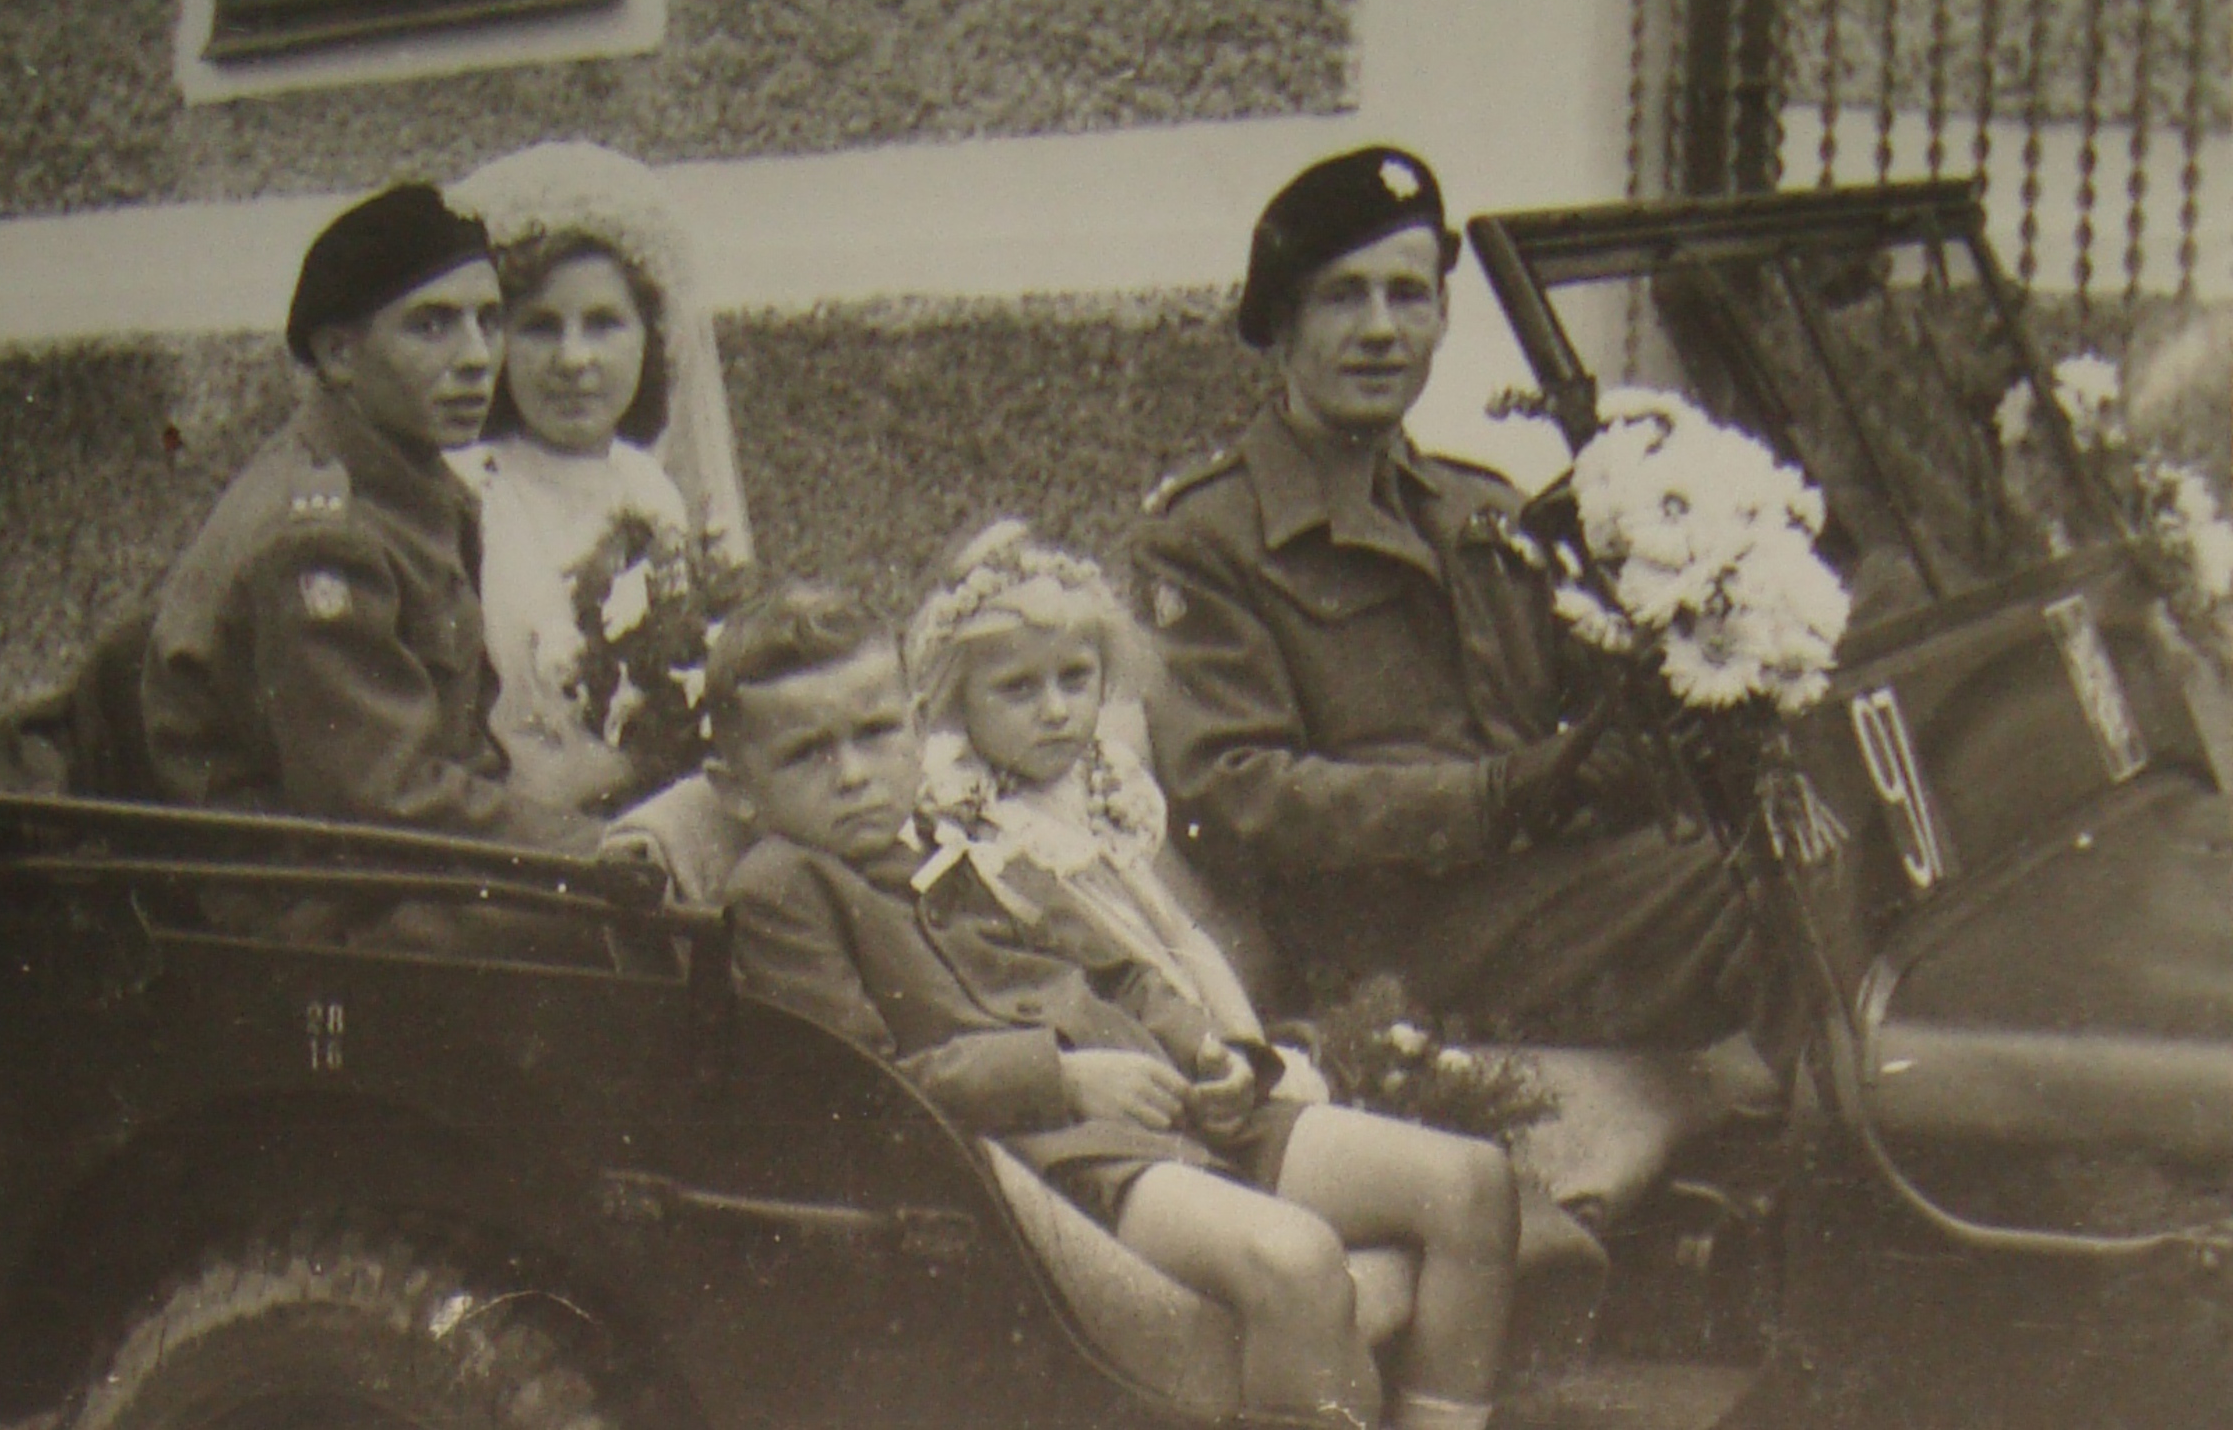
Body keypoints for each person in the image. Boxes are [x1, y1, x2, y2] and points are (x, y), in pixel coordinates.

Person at [712, 582, 1518, 1430]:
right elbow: (857, 1086)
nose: (852, 775)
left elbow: (1114, 966)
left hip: (1164, 1100)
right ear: (735, 788)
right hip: (1049, 1155)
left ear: (915, 728)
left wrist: (1209, 1051)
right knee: (1296, 1260)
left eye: (874, 733)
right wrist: (1060, 1078)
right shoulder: (782, 886)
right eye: (806, 754)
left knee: (1470, 1184)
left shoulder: (959, 833)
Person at [1132, 145, 1775, 1055]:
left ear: (1442, 316)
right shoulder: (1209, 536)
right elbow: (1233, 794)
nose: (1381, 329)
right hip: (1387, 944)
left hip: (1539, 894)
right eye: (1342, 297)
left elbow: (1588, 695)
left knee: (1798, 846)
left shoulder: (1485, 508)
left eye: (1409, 294)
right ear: (1282, 325)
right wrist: (1488, 798)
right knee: (1757, 883)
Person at [142, 184, 601, 928]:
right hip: (318, 909)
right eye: (431, 325)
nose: (476, 358)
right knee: (648, 925)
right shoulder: (323, 537)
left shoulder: (405, 480)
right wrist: (593, 850)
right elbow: (384, 801)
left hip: (389, 865)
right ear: (339, 354)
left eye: (489, 321)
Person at [905, 518, 1327, 1097]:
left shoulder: (1102, 779)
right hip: (1105, 1041)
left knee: (1277, 1078)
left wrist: (1246, 1044)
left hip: (1172, 1001)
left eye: (1075, 677)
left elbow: (1173, 926)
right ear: (958, 699)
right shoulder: (971, 823)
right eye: (1019, 687)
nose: (1056, 710)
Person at [444, 142, 753, 813]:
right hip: (515, 812)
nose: (574, 358)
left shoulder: (648, 487)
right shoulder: (468, 488)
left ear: (649, 337)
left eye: (604, 324)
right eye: (540, 327)